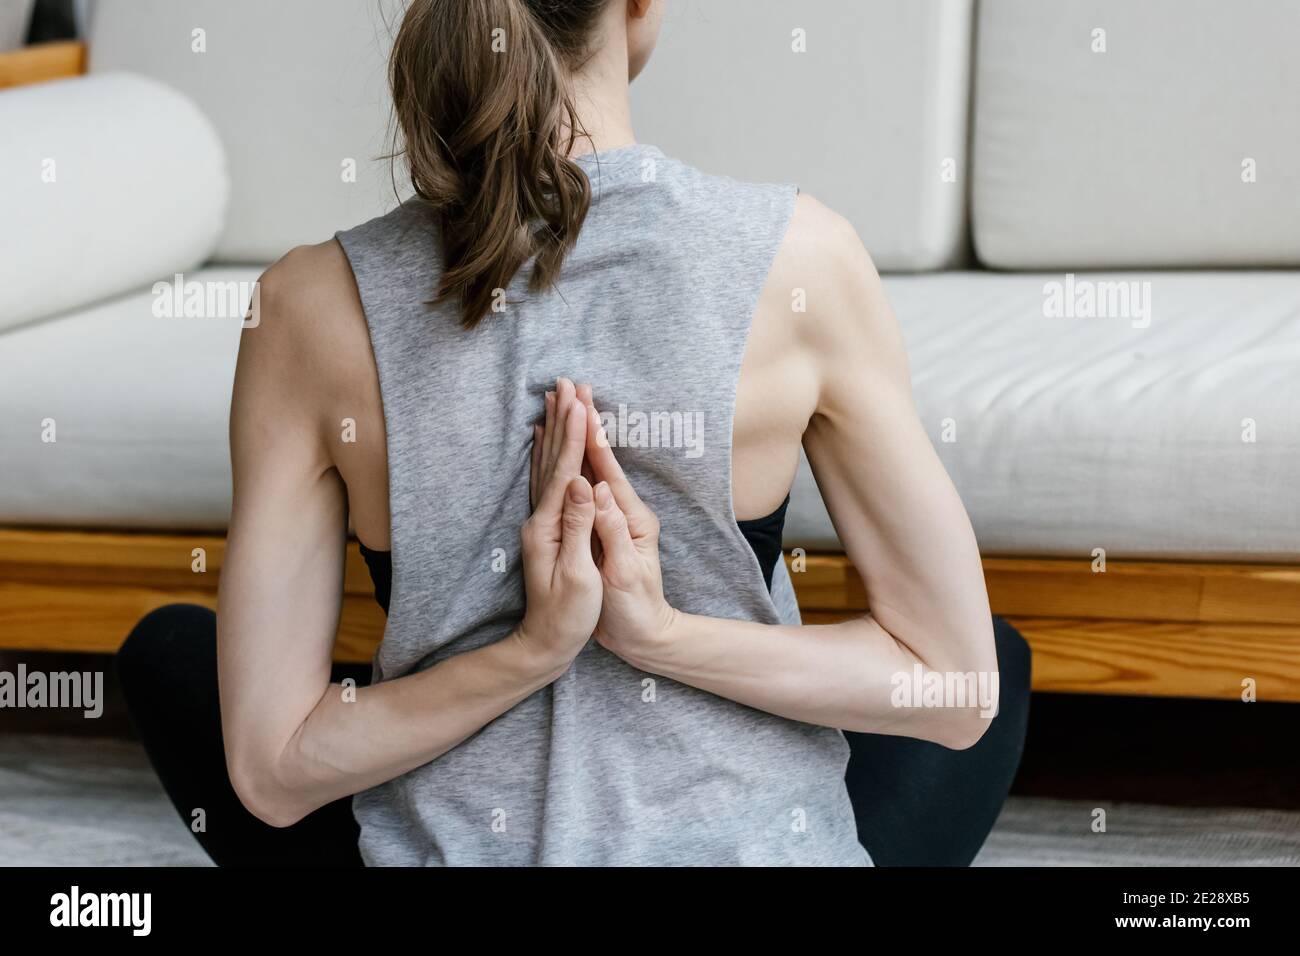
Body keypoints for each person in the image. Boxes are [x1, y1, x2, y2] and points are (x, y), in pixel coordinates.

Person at [117, 0, 1030, 866]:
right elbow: (955, 690)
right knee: (994, 654)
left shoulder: (303, 307)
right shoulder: (804, 260)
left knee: (170, 657)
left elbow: (273, 776)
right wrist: (659, 635)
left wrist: (529, 652)